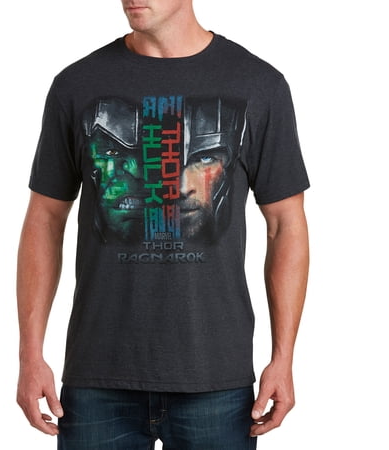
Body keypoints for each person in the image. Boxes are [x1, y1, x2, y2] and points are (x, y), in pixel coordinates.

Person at [16, 0, 310, 448]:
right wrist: (29, 355)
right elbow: (45, 218)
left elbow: (285, 225)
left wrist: (283, 358)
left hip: (217, 380)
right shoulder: (77, 85)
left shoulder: (258, 84)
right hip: (98, 377)